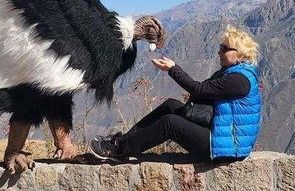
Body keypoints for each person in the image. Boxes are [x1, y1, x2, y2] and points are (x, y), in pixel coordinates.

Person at [90, 26, 261, 162]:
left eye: (224, 48)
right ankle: (123, 141)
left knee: (170, 123)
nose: (219, 52)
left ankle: (119, 149)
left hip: (226, 148)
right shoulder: (232, 73)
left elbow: (199, 90)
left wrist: (173, 69)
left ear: (239, 54)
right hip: (220, 138)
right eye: (220, 47)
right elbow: (202, 90)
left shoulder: (239, 80)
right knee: (170, 105)